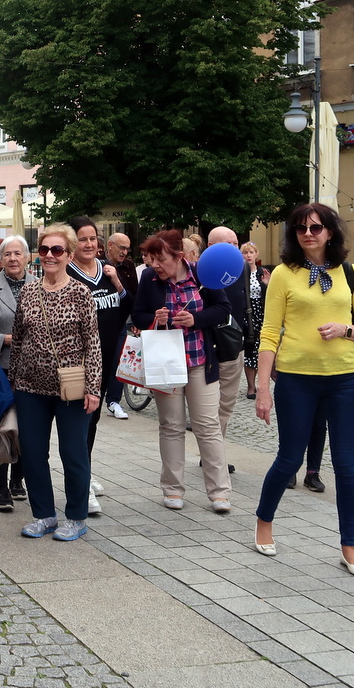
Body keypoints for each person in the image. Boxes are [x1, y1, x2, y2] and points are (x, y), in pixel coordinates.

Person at [253, 203, 354, 578]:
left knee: (346, 464)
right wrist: (262, 388)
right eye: (300, 228)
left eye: (316, 227)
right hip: (296, 379)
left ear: (330, 232)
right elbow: (269, 333)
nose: (309, 233)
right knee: (290, 458)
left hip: (345, 379)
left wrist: (346, 329)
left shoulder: (350, 274)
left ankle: (349, 546)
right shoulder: (282, 275)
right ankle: (263, 521)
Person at [10, 224, 101, 541]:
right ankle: (44, 515)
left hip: (71, 389)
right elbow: (19, 339)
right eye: (44, 249)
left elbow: (92, 344)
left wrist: (93, 388)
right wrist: (14, 381)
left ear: (69, 255)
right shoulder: (29, 291)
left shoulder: (80, 293)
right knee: (33, 453)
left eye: (57, 250)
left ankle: (76, 516)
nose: (49, 255)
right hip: (29, 388)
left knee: (73, 453)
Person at [132, 229, 233, 513]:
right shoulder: (149, 280)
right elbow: (137, 314)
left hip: (201, 361)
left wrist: (196, 319)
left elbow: (223, 308)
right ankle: (173, 489)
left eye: (161, 259)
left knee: (208, 426)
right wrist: (154, 318)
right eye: (152, 260)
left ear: (178, 256)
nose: (156, 265)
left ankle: (219, 492)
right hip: (167, 364)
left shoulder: (202, 274)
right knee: (172, 426)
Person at [66, 217, 126, 515]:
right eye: (82, 239)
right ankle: (80, 483)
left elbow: (128, 310)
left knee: (94, 420)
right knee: (81, 422)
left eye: (93, 239)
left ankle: (85, 471)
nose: (89, 244)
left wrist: (117, 282)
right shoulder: (67, 273)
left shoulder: (109, 272)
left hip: (106, 358)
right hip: (79, 364)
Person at [0, 235, 34, 511]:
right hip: (3, 366)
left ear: (27, 257)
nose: (13, 259)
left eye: (18, 253)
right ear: (0, 259)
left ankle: (19, 479)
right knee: (4, 427)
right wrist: (2, 339)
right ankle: (0, 486)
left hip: (34, 368)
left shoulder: (39, 286)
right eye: (8, 254)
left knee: (29, 426)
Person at [206, 226, 248, 473]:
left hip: (234, 345)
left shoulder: (241, 268)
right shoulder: (200, 271)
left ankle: (215, 453)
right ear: (211, 247)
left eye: (236, 243)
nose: (235, 249)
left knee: (227, 403)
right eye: (228, 244)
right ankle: (212, 454)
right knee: (208, 404)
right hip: (207, 345)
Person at [102, 232, 138, 422]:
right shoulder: (98, 264)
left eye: (127, 248)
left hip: (120, 322)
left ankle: (113, 401)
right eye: (121, 247)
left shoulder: (128, 267)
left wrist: (137, 321)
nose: (124, 252)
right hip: (100, 323)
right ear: (110, 245)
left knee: (118, 361)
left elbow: (133, 296)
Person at [239, 241, 270, 400]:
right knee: (249, 349)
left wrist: (267, 284)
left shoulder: (262, 272)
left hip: (261, 313)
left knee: (261, 348)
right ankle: (251, 386)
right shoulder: (239, 272)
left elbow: (271, 295)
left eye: (251, 252)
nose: (249, 255)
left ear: (256, 254)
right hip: (246, 313)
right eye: (245, 253)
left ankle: (261, 383)